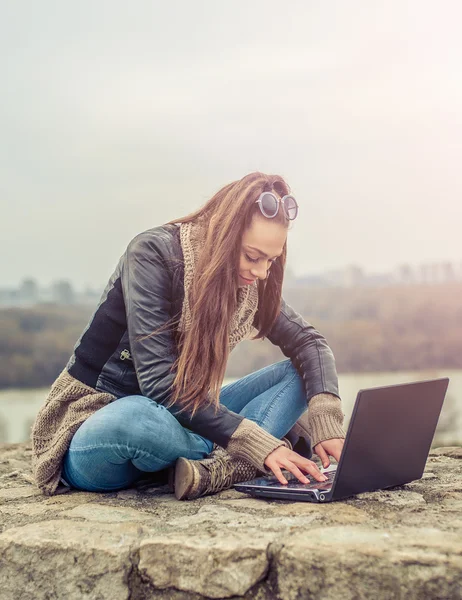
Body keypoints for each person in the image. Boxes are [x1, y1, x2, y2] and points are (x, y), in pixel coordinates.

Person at [31, 171, 345, 500]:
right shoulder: (151, 253)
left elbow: (310, 344)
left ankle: (213, 465)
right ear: (223, 235)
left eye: (271, 260)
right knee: (137, 416)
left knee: (301, 374)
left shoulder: (248, 286)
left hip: (185, 417)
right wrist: (256, 440)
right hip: (100, 422)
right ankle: (238, 456)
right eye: (252, 257)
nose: (261, 272)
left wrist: (326, 422)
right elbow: (158, 385)